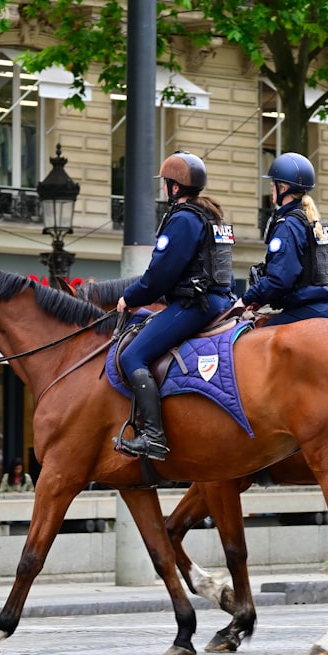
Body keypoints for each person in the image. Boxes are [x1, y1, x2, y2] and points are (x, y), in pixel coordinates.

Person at [114, 150, 235, 460]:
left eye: (166, 182)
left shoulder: (183, 219)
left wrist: (131, 298)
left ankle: (154, 437)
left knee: (132, 356)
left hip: (196, 304)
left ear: (175, 187)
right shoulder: (210, 215)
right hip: (220, 300)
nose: (164, 187)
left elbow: (160, 275)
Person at [237, 152, 328, 325]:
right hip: (327, 309)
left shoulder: (288, 225)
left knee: (249, 338)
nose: (271, 188)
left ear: (283, 188)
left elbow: (280, 279)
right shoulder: (311, 221)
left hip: (304, 313)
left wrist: (245, 299)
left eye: (273, 184)